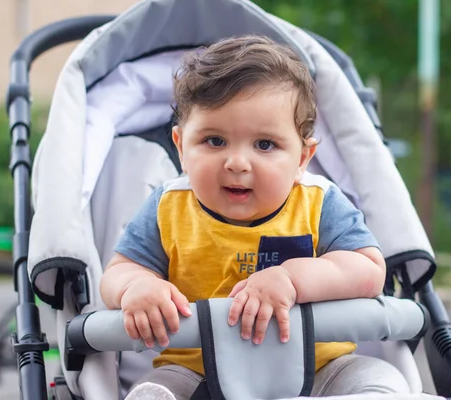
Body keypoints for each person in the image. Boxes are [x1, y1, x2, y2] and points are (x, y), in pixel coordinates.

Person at [100, 35, 410, 399]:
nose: (237, 163)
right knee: (154, 391)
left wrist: (292, 279)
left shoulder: (318, 202)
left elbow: (368, 271)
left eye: (264, 145)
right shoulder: (168, 207)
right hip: (198, 373)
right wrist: (137, 287)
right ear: (181, 147)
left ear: (301, 159)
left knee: (381, 381)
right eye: (215, 141)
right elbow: (116, 273)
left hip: (319, 371)